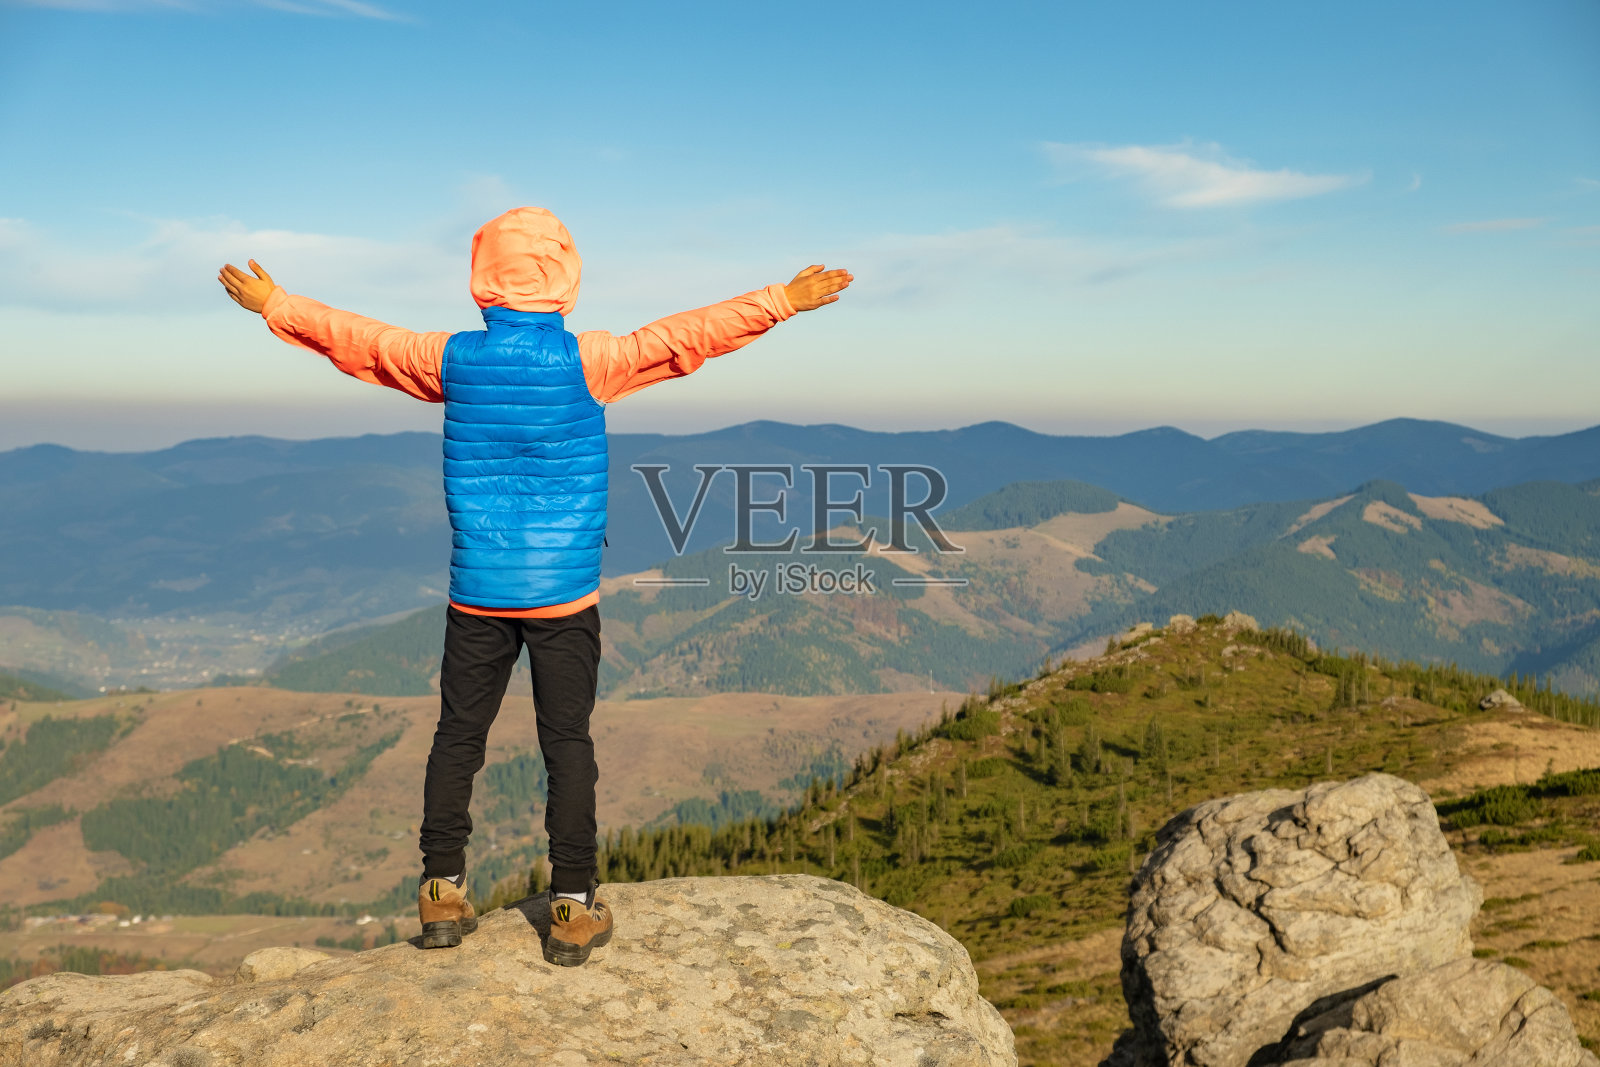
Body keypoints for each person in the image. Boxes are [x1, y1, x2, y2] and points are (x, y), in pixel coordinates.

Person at [218, 206, 851, 966]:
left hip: (477, 593)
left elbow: (361, 341)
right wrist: (781, 299)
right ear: (565, 277)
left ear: (483, 277)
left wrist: (277, 306)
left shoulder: (451, 358)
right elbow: (688, 338)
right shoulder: (594, 359)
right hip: (564, 597)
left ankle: (442, 895)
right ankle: (574, 908)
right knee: (567, 745)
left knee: (458, 737)